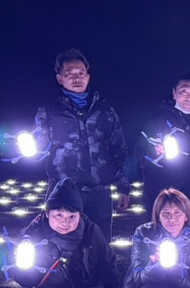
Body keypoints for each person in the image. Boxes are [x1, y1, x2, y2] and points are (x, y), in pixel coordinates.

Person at [30, 48, 131, 242]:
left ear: (88, 77)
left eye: (81, 73)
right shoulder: (49, 111)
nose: (76, 78)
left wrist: (123, 187)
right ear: (60, 79)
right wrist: (27, 147)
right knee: (59, 246)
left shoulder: (105, 110)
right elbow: (37, 149)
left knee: (99, 246)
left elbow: (118, 149)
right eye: (70, 74)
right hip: (63, 192)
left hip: (100, 193)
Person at [9, 177, 120, 288]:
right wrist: (22, 266)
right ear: (47, 213)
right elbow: (22, 278)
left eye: (72, 217)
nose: (65, 222)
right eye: (59, 215)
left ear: (80, 215)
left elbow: (109, 263)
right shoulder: (32, 236)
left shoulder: (91, 231)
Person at [138, 72, 190, 225]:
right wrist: (154, 154)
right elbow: (140, 154)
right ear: (174, 93)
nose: (189, 98)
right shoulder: (158, 120)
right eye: (184, 92)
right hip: (161, 200)